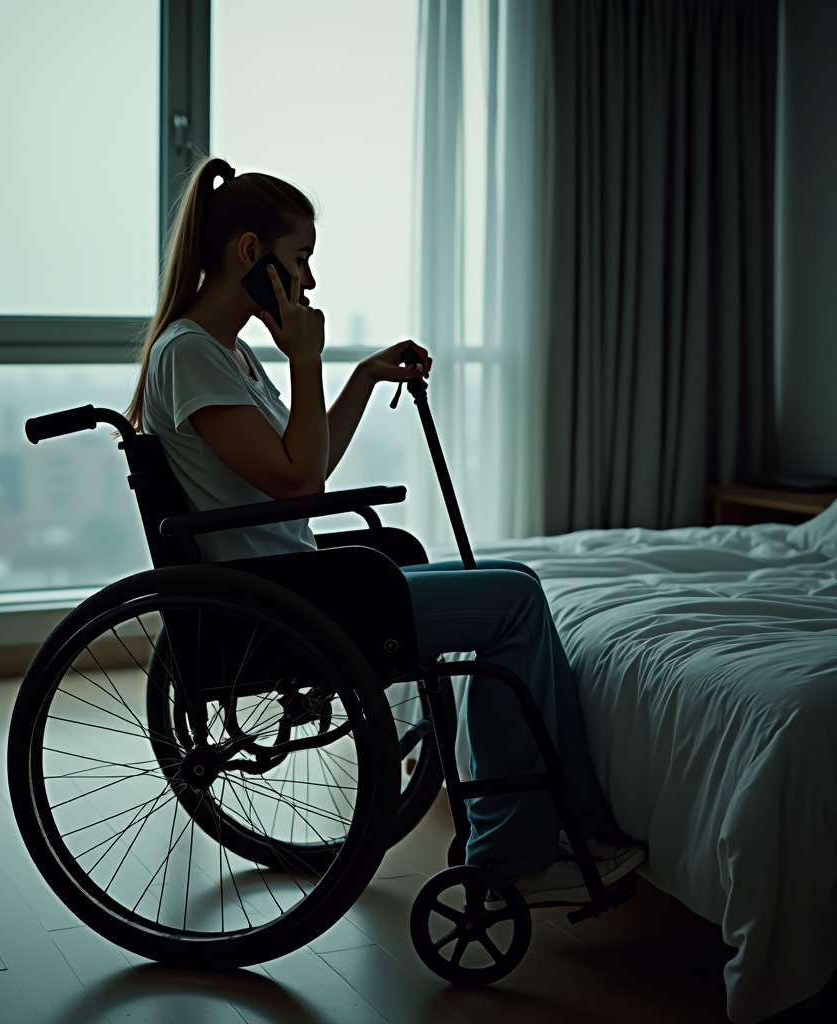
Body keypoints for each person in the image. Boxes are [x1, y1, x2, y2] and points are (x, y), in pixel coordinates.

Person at [126, 156, 645, 903]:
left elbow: (304, 465)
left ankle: (567, 824)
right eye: (301, 259)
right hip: (285, 601)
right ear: (252, 254)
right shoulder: (192, 355)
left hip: (296, 584)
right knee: (513, 606)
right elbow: (299, 480)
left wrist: (360, 375)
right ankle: (514, 857)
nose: (308, 282)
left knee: (517, 583)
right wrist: (304, 358)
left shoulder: (228, 354)